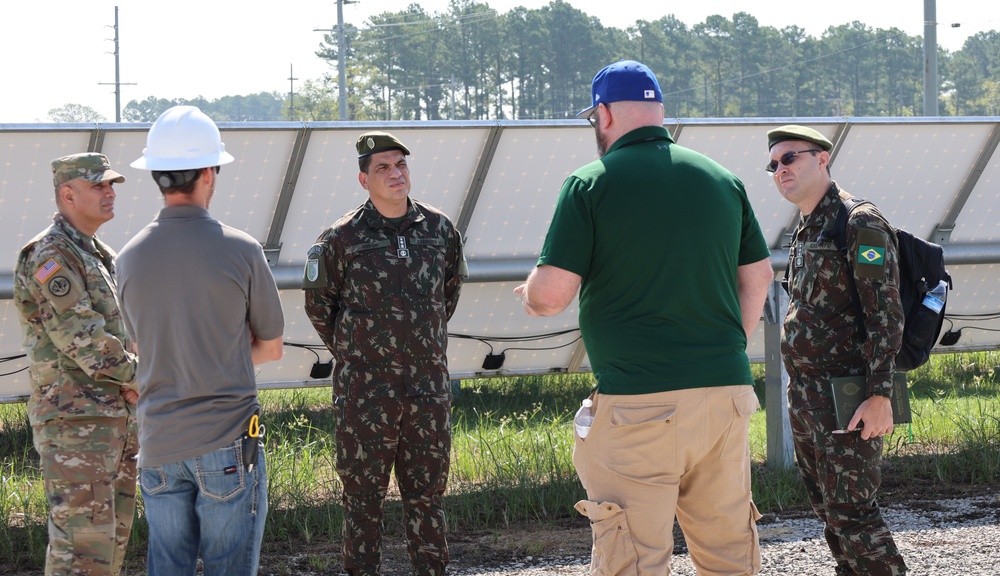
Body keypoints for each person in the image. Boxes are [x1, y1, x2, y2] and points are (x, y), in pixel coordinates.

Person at [515, 60, 773, 575]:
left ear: (603, 115)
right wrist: (726, 350)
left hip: (638, 406)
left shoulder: (590, 183)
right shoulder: (722, 180)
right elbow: (760, 277)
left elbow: (551, 297)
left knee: (632, 556)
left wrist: (529, 291)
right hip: (725, 397)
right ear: (658, 112)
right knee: (729, 554)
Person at [115, 105, 285, 576]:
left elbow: (145, 348)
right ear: (210, 172)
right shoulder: (242, 249)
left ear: (156, 176)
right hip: (228, 442)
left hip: (158, 445)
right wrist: (228, 348)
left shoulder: (127, 259)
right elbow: (270, 348)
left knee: (166, 566)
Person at [303, 131, 467, 576]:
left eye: (400, 165)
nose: (395, 174)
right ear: (364, 180)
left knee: (428, 499)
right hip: (365, 396)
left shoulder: (439, 230)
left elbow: (447, 295)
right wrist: (361, 356)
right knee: (361, 503)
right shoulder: (342, 238)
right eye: (383, 168)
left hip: (427, 392)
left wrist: (418, 345)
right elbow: (320, 307)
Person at [766, 124, 907, 575]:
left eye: (790, 158)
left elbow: (886, 314)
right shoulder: (806, 226)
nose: (780, 170)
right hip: (808, 395)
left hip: (848, 393)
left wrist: (881, 394)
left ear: (822, 159)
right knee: (830, 512)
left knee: (853, 513)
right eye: (773, 165)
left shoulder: (859, 222)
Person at [13, 152, 139, 575]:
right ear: (68, 194)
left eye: (111, 185)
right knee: (81, 553)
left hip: (112, 423)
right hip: (76, 428)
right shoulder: (50, 255)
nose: (110, 192)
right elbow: (83, 339)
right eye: (99, 185)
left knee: (108, 549)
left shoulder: (98, 253)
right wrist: (144, 376)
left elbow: (126, 330)